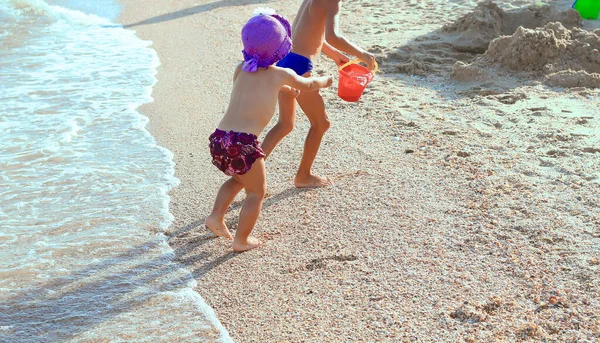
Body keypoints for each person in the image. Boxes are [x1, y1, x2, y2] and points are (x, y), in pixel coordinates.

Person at [205, 10, 333, 252]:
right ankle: (241, 240)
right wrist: (325, 81)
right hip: (243, 144)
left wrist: (283, 90)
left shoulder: (241, 68)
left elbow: (252, 90)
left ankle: (215, 217)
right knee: (256, 192)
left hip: (220, 139)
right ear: (281, 50)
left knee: (237, 178)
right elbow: (307, 84)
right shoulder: (281, 74)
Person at [259, 0, 377, 188]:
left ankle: (248, 174)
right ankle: (303, 176)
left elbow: (311, 32)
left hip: (286, 60)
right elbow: (333, 36)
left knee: (285, 124)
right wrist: (362, 53)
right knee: (321, 123)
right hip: (299, 66)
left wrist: (334, 55)